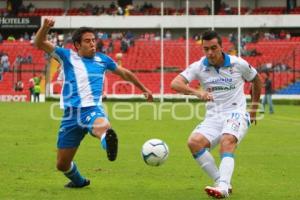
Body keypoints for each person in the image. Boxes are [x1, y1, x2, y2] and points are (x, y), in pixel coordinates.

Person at [34, 17, 153, 188]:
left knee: (102, 127)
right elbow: (39, 43)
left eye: (93, 40)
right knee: (62, 164)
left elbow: (124, 73)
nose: (92, 44)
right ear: (77, 45)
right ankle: (79, 182)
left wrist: (143, 89)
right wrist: (45, 27)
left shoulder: (102, 59)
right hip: (70, 115)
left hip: (91, 109)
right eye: (87, 41)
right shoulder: (67, 56)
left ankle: (108, 141)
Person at [171, 30, 262, 199]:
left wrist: (254, 109)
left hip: (236, 113)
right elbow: (175, 83)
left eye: (214, 48)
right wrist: (197, 92)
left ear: (221, 46)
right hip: (213, 117)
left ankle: (223, 188)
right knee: (194, 143)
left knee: (227, 141)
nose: (210, 53)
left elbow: (257, 80)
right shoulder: (199, 66)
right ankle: (220, 180)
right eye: (206, 49)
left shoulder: (238, 64)